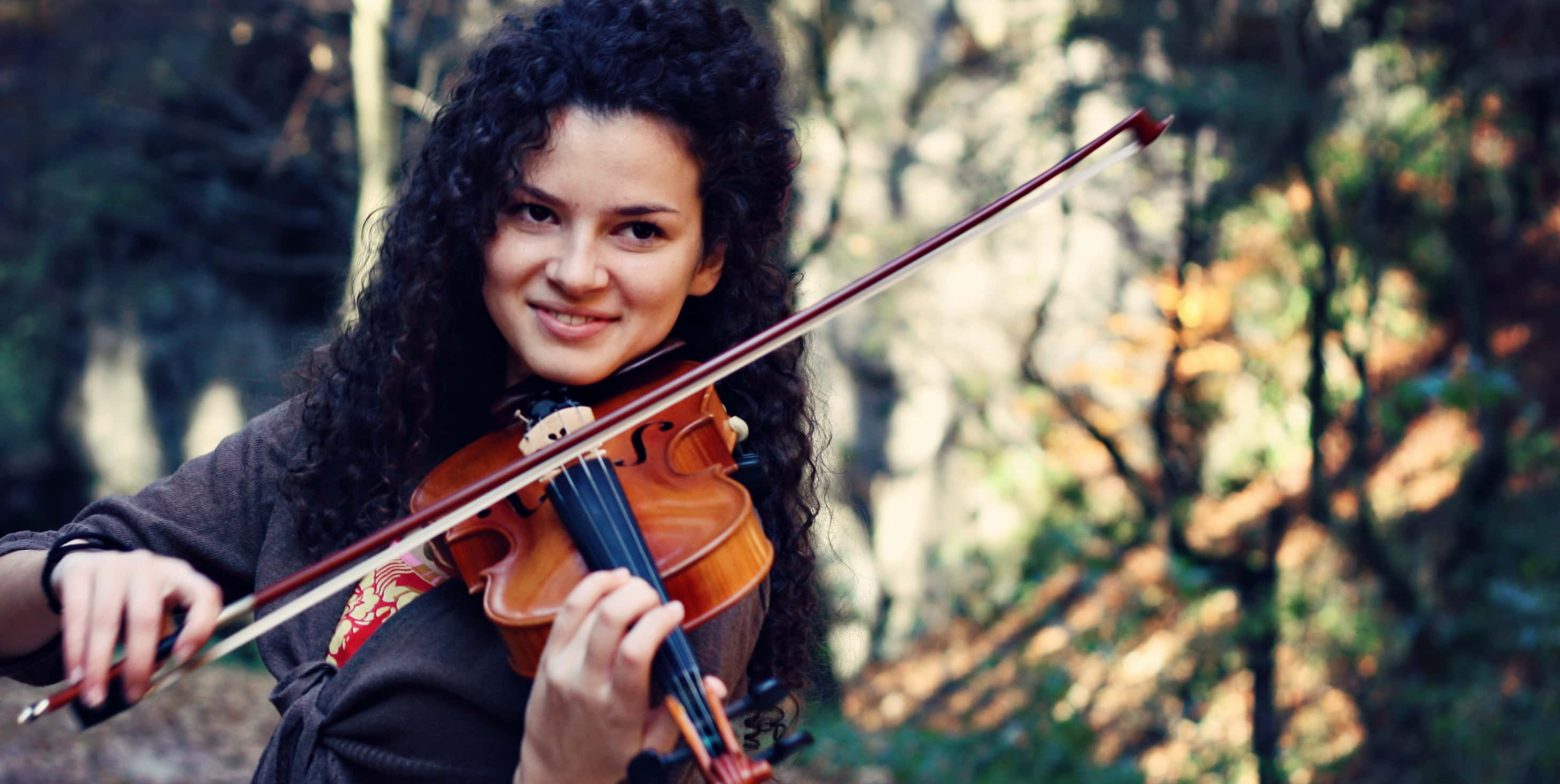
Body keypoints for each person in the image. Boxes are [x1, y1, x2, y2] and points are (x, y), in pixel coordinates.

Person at [0, 0, 820, 781]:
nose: (575, 273)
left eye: (639, 230)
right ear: (476, 217)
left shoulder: (687, 571)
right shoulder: (369, 421)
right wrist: (71, 574)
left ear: (709, 258)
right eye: (535, 212)